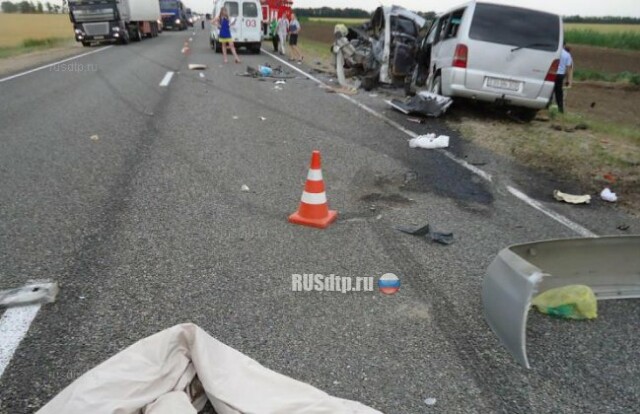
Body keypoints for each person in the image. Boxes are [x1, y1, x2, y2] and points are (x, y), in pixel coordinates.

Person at [554, 43, 573, 113]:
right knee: (559, 93)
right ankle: (560, 109)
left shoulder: (555, 51)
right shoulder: (567, 55)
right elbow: (568, 69)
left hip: (553, 73)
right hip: (560, 75)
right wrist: (568, 80)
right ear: (564, 45)